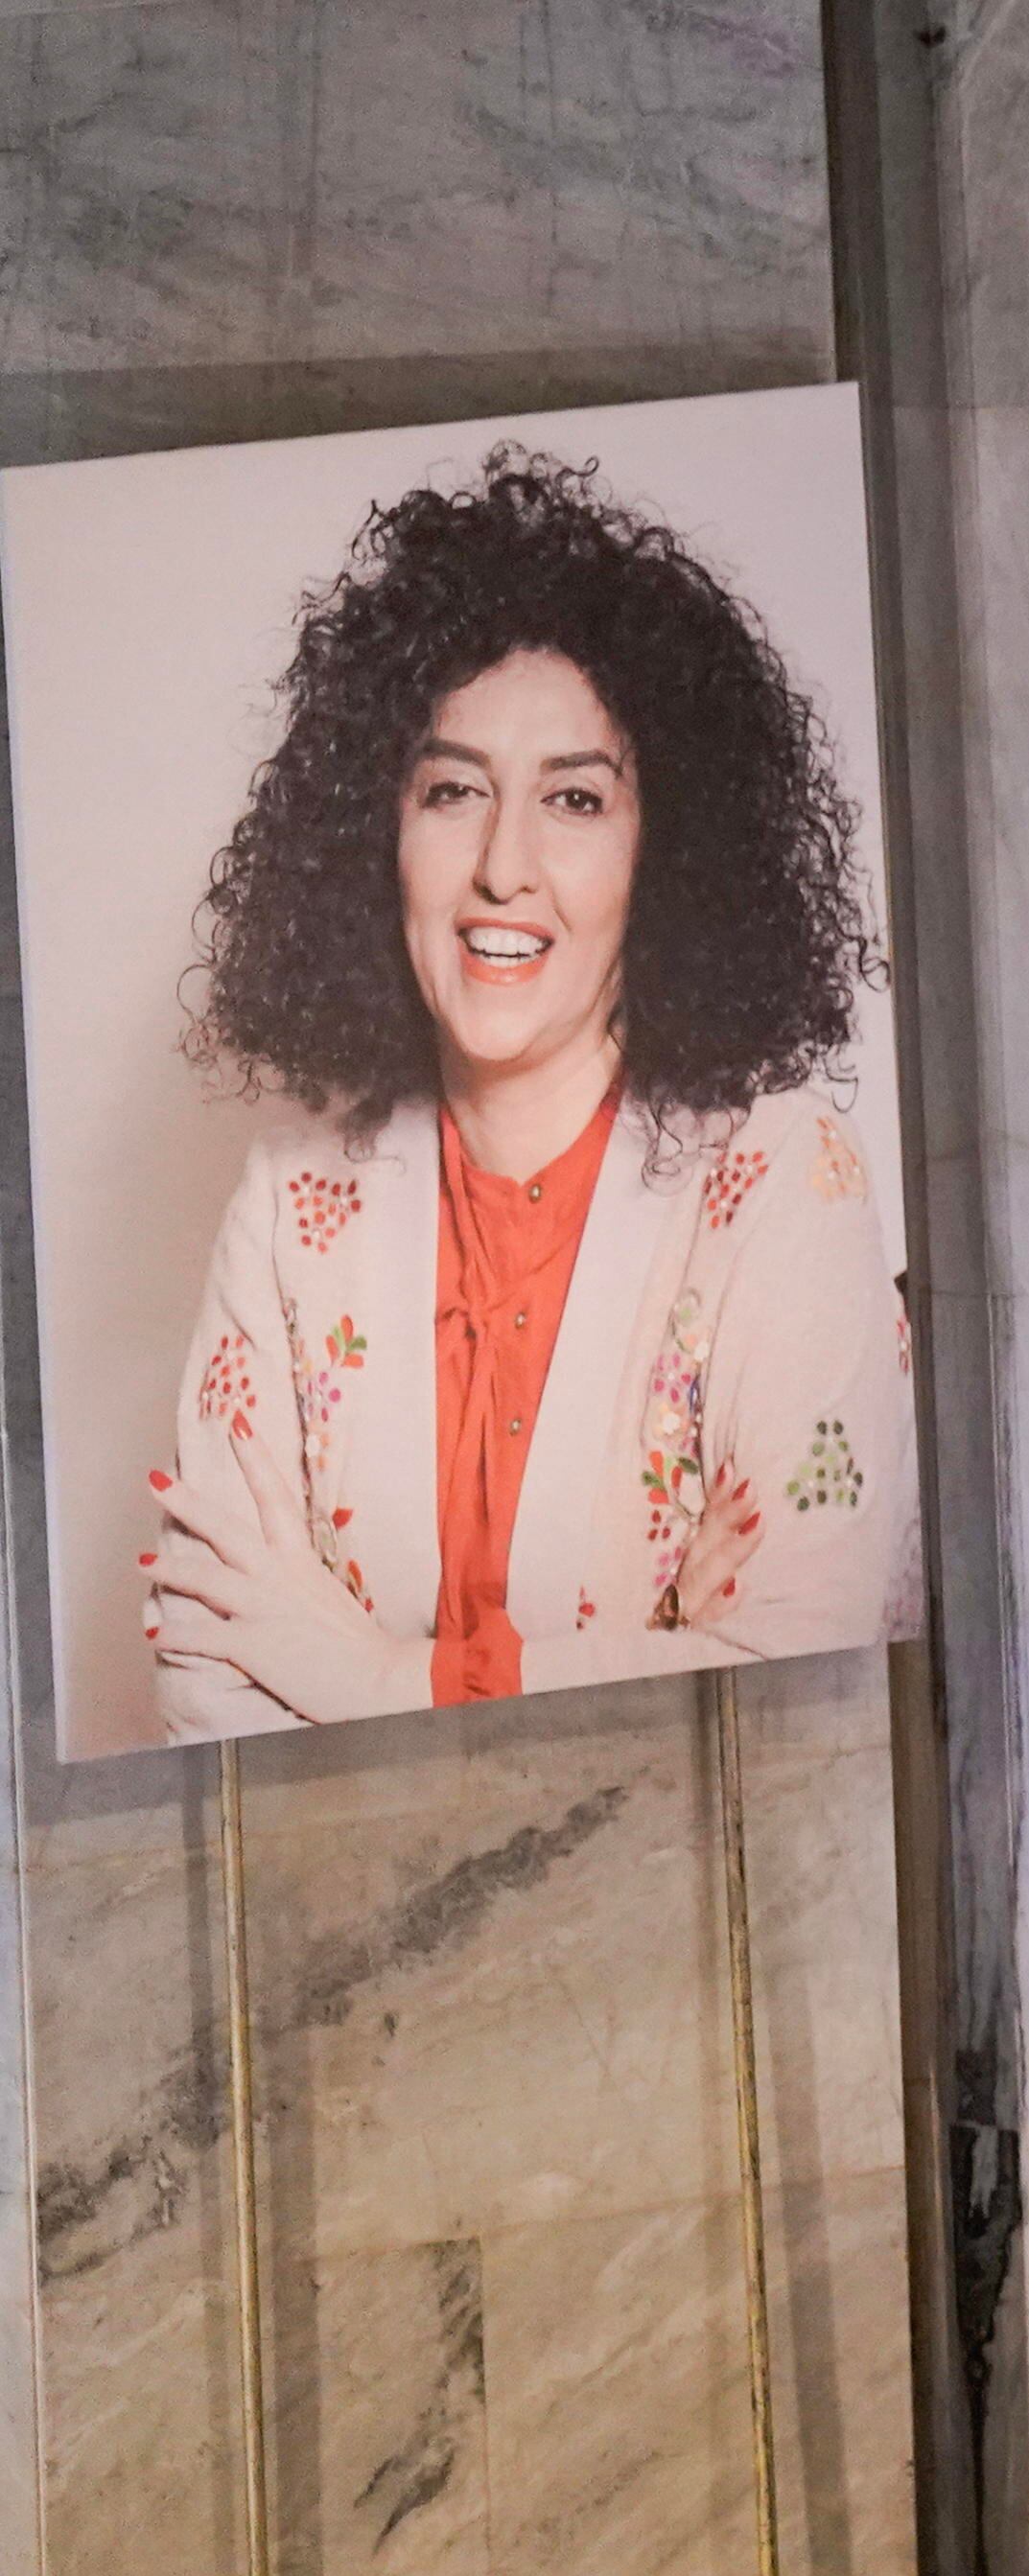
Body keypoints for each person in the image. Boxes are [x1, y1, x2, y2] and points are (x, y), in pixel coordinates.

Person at [147, 448, 912, 1737]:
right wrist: (661, 1649)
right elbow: (201, 1678)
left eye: (574, 799)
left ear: (661, 851)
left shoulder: (784, 1177)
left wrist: (384, 1680)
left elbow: (806, 1677)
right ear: (373, 836)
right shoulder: (290, 1204)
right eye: (452, 791)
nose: (505, 867)